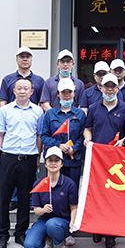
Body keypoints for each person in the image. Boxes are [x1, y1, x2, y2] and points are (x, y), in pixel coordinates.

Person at [0, 77, 43, 248]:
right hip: (8, 158)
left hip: (28, 160)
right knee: (4, 198)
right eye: (19, 88)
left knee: (24, 198)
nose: (22, 91)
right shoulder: (5, 110)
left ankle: (20, 233)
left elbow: (39, 136)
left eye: (26, 88)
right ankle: (2, 234)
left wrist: (37, 158)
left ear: (32, 92)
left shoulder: (38, 111)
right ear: (14, 91)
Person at [83, 73, 125, 248]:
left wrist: (123, 141)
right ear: (100, 88)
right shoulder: (94, 108)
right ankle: (97, 228)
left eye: (113, 86)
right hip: (98, 160)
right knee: (97, 194)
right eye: (106, 86)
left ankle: (111, 234)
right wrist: (87, 138)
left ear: (118, 88)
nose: (110, 90)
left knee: (113, 197)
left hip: (117, 161)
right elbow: (87, 128)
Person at [23, 147, 78, 248]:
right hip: (44, 220)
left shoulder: (69, 183)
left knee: (52, 224)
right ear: (45, 164)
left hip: (62, 221)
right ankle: (49, 239)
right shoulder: (39, 184)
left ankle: (61, 245)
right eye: (50, 160)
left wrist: (72, 222)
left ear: (62, 164)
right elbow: (36, 210)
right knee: (30, 245)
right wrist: (43, 210)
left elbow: (74, 207)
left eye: (56, 160)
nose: (53, 163)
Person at [39, 78, 86, 211]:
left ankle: (72, 217)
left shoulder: (80, 114)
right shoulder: (50, 114)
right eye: (63, 92)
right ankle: (54, 215)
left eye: (69, 92)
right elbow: (44, 136)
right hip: (54, 160)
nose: (66, 95)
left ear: (74, 93)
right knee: (54, 190)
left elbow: (83, 135)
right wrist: (58, 145)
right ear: (58, 94)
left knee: (72, 191)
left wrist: (74, 148)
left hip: (73, 160)